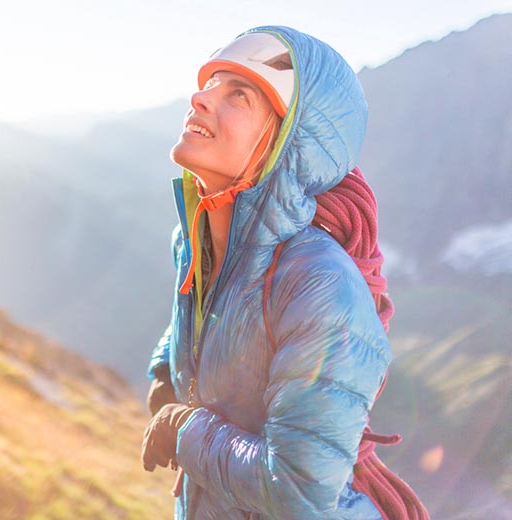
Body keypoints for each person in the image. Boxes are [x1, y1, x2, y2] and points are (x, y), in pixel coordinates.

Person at [141, 26, 428, 519]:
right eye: (210, 84)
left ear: (287, 143)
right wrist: (166, 365)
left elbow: (299, 490)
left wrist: (185, 429)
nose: (199, 98)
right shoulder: (197, 244)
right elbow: (213, 315)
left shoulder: (319, 285)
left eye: (239, 94)